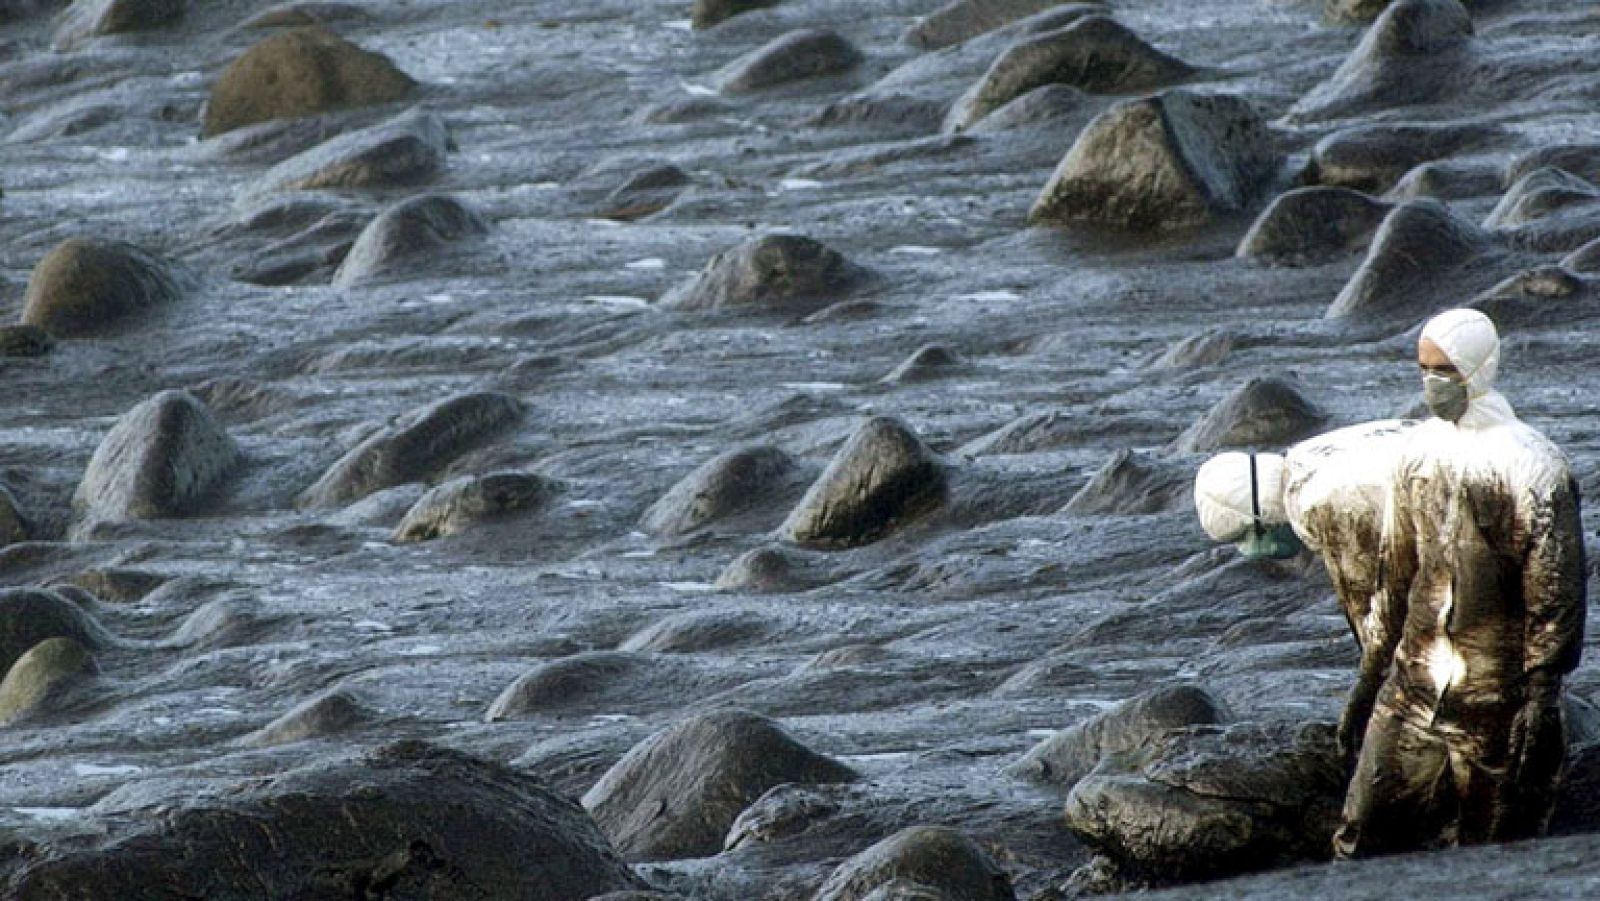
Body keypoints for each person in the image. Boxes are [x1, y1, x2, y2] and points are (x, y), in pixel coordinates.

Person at [1333, 308, 1587, 858]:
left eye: (1444, 369)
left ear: (1478, 368)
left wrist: (1541, 696)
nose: (1431, 382)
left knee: (1494, 851)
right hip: (1412, 687)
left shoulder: (1534, 466)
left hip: (1495, 701)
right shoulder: (1417, 452)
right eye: (1423, 368)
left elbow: (1555, 590)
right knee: (1363, 834)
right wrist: (1370, 675)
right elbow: (1394, 571)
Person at [1194, 419, 1421, 758]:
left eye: (1245, 537)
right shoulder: (1307, 457)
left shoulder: (1319, 503)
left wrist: (1365, 699)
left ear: (1260, 521)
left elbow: (1374, 611)